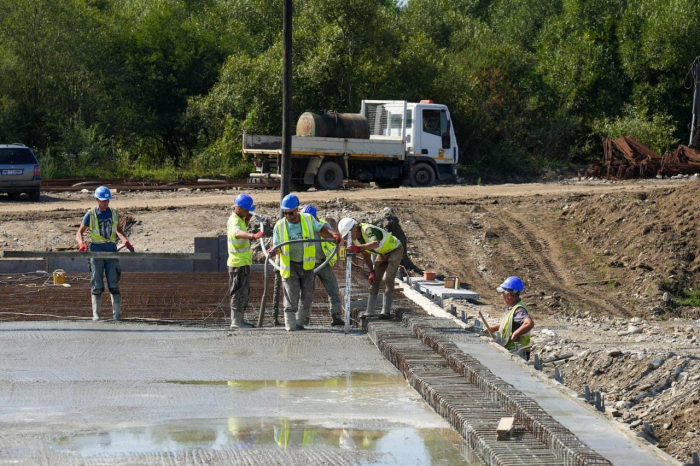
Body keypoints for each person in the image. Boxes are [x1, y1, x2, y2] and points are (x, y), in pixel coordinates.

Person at [269, 194, 342, 331]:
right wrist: (273, 252)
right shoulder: (279, 225)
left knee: (307, 297)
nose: (288, 216)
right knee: (291, 296)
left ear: (297, 209)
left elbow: (321, 229)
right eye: (285, 213)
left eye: (291, 213)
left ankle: (300, 323)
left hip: (308, 265)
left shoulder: (308, 219)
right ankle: (290, 327)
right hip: (290, 266)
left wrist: (333, 234)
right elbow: (277, 247)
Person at [76, 186, 134, 321]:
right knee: (97, 282)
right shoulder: (90, 215)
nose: (106, 202)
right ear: (97, 199)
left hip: (111, 250)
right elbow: (79, 232)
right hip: (96, 251)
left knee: (113, 282)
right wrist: (81, 243)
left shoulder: (113, 213)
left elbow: (118, 230)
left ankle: (117, 314)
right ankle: (96, 314)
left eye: (107, 199)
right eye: (103, 200)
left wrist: (126, 241)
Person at [337, 218, 404, 319]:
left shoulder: (367, 230)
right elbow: (366, 255)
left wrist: (358, 248)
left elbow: (375, 243)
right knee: (374, 281)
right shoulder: (356, 240)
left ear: (354, 229)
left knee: (388, 279)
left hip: (395, 249)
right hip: (382, 253)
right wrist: (371, 271)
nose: (347, 239)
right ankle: (370, 311)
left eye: (347, 235)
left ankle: (386, 311)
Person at [301, 205, 344, 327]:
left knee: (333, 290)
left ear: (315, 216)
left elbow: (332, 237)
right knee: (306, 292)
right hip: (308, 265)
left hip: (323, 262)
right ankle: (304, 319)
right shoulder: (302, 227)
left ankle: (336, 317)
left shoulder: (323, 225)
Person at [227, 193, 265, 329]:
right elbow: (237, 233)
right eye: (247, 210)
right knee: (238, 292)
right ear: (239, 208)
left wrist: (247, 221)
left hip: (242, 263)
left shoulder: (240, 218)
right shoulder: (235, 220)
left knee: (244, 291)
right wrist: (253, 235)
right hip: (237, 263)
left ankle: (239, 319)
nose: (249, 212)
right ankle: (236, 322)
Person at [486, 276, 534, 357]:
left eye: (503, 293)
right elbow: (509, 323)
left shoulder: (519, 309)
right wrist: (494, 328)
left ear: (509, 295)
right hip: (512, 350)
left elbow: (529, 323)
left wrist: (515, 334)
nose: (502, 296)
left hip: (517, 352)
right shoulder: (513, 307)